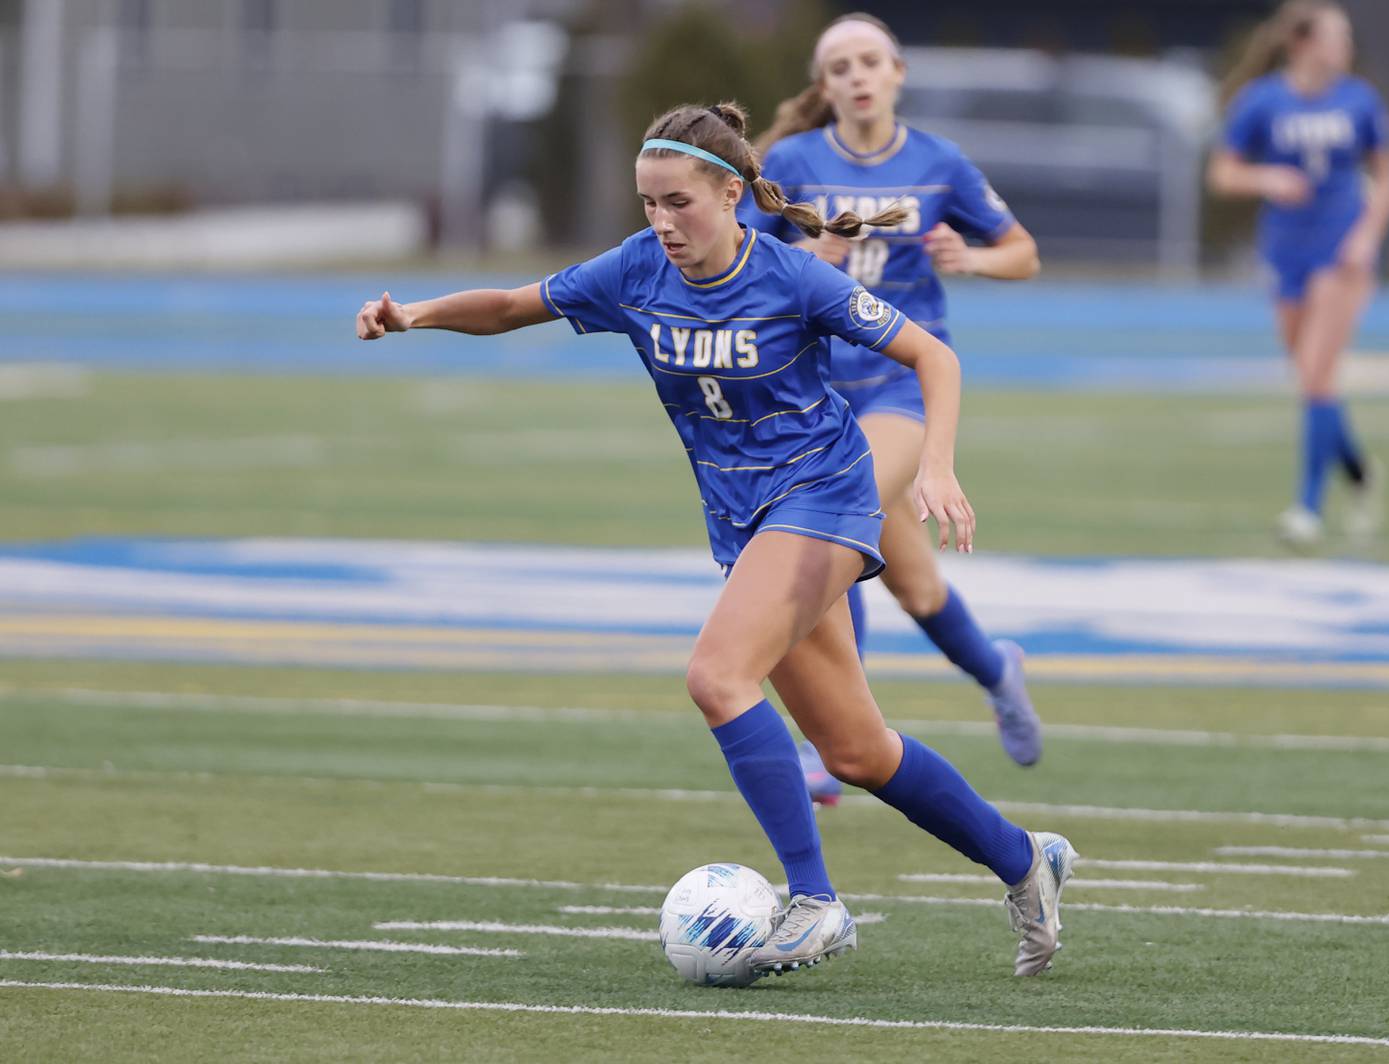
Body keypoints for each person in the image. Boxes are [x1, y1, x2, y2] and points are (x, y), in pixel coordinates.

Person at [355, 101, 1075, 978]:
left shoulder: (792, 278)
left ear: (731, 194)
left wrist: (938, 468)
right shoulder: (633, 272)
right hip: (745, 521)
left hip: (824, 494)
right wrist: (414, 314)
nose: (662, 223)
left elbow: (935, 357)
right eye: (648, 203)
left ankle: (815, 902)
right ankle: (1024, 860)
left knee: (716, 675)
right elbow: (513, 304)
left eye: (679, 203)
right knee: (857, 751)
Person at [739, 13, 1043, 791]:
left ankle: (834, 737)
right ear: (825, 85)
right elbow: (741, 262)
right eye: (840, 67)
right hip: (815, 394)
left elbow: (1024, 254)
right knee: (914, 585)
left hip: (900, 387)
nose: (857, 76)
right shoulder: (793, 160)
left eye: (870, 61)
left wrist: (969, 257)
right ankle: (995, 668)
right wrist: (811, 255)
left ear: (897, 71)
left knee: (835, 525)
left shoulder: (939, 163)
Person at [1208, 0, 1389, 551]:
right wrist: (1267, 178)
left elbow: (1387, 178)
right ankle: (1362, 473)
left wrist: (1366, 237)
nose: (1344, 48)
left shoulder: (1359, 100)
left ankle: (1308, 509)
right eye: (1334, 37)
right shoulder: (1263, 100)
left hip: (1342, 252)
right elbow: (1224, 173)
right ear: (1302, 43)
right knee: (1312, 379)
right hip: (1287, 251)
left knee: (1318, 376)